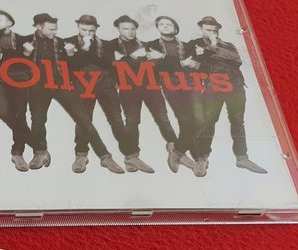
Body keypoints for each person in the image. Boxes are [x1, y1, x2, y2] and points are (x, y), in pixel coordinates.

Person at [22, 13, 120, 173]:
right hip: (38, 87)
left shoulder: (62, 43)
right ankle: (40, 153)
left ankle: (105, 156)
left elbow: (76, 65)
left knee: (83, 120)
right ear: (39, 27)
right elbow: (18, 65)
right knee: (37, 121)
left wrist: (70, 54)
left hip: (63, 85)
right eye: (51, 29)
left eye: (56, 29)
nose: (55, 32)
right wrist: (26, 54)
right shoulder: (25, 41)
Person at [191, 16, 267, 176]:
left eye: (215, 30)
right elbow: (197, 61)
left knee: (238, 121)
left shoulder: (229, 45)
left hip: (236, 85)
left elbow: (237, 60)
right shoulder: (195, 44)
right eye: (208, 30)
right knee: (208, 121)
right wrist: (213, 47)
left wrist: (212, 51)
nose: (212, 33)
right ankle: (202, 158)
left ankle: (242, 157)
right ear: (201, 29)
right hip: (214, 86)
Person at [63, 15, 137, 173]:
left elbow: (111, 65)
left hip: (105, 84)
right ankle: (81, 155)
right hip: (82, 84)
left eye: (91, 30)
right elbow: (73, 65)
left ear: (96, 29)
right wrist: (84, 48)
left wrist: (115, 81)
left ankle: (131, 156)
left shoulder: (106, 44)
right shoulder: (68, 42)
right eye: (84, 30)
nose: (87, 33)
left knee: (116, 120)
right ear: (78, 27)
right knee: (84, 120)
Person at [107, 15, 177, 172]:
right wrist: (132, 57)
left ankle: (175, 151)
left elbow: (160, 65)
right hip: (128, 88)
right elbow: (110, 66)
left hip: (150, 86)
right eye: (126, 28)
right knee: (132, 121)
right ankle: (132, 157)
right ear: (118, 29)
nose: (130, 31)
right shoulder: (110, 46)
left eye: (132, 28)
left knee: (163, 118)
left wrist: (158, 64)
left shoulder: (145, 45)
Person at [146, 16, 203, 175]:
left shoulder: (187, 46)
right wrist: (180, 63)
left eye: (169, 24)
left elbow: (196, 65)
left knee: (199, 119)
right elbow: (157, 67)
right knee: (184, 120)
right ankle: (195, 157)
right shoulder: (152, 45)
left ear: (176, 29)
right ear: (157, 28)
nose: (165, 26)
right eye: (161, 24)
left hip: (190, 82)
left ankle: (177, 152)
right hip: (169, 82)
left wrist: (164, 58)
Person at [0, 10, 33, 172]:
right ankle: (37, 144)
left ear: (9, 22)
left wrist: (0, 56)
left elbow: (25, 60)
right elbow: (16, 56)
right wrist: (18, 55)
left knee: (20, 114)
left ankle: (17, 153)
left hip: (20, 75)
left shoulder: (23, 39)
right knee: (3, 113)